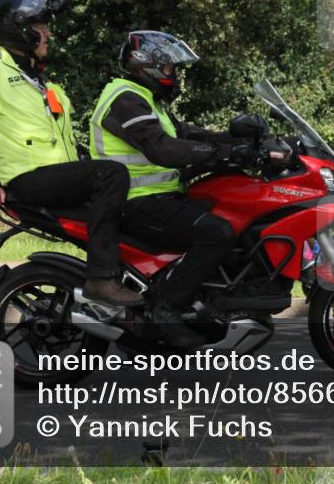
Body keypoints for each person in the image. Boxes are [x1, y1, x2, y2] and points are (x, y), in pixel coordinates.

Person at [0, 0, 142, 307]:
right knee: (111, 174)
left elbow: (63, 142)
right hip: (29, 179)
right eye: (41, 26)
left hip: (56, 178)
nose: (48, 34)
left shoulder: (45, 85)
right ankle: (101, 280)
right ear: (21, 30)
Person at [89, 31, 254, 346]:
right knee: (217, 232)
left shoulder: (148, 101)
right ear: (147, 66)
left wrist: (244, 141)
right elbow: (162, 148)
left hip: (159, 199)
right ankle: (165, 308)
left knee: (230, 218)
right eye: (170, 68)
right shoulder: (125, 99)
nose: (174, 75)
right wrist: (227, 153)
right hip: (136, 201)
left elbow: (189, 135)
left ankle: (209, 305)